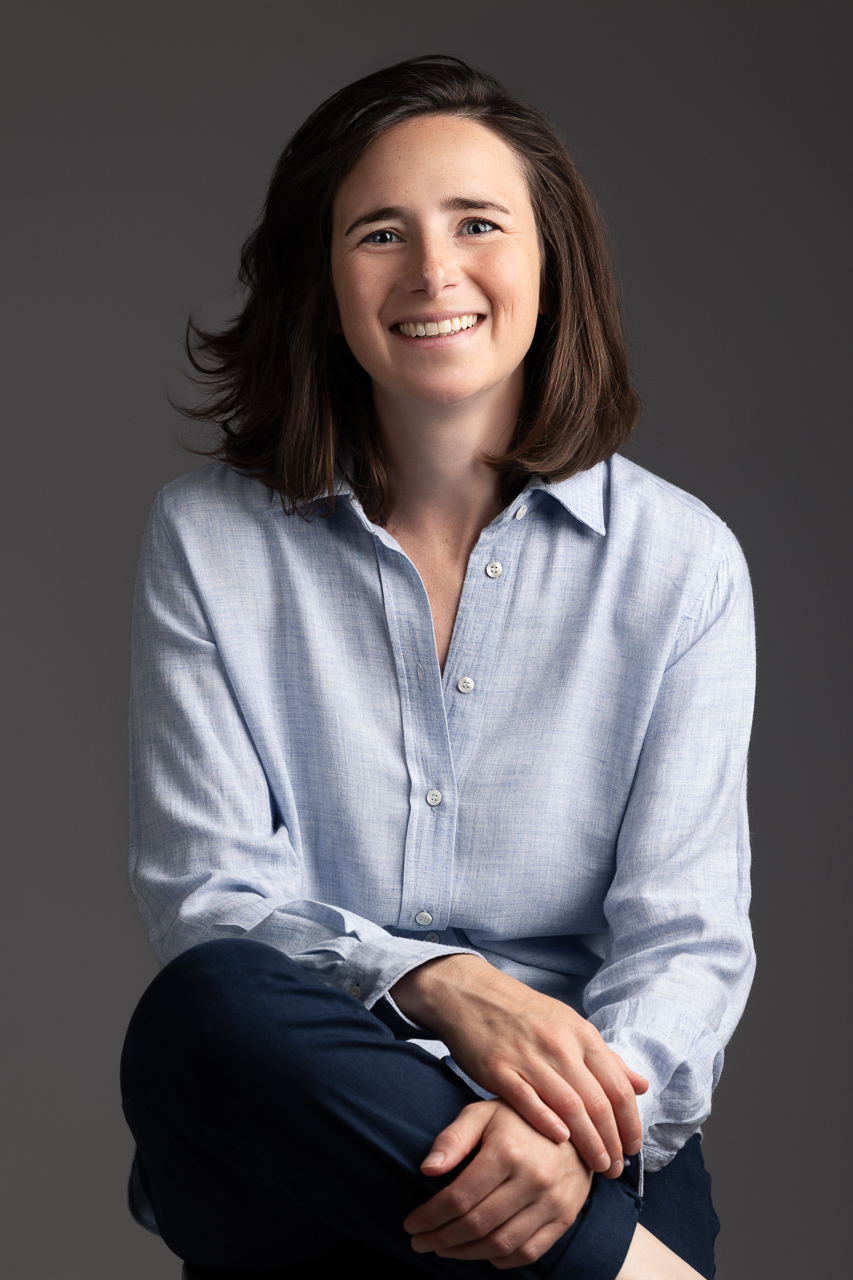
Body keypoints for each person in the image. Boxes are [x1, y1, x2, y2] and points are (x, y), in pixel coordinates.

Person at [120, 55, 755, 1280]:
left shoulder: (681, 564)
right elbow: (210, 895)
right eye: (379, 233)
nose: (432, 271)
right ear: (323, 278)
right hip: (297, 1126)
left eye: (477, 222)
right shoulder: (207, 537)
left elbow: (685, 942)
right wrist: (442, 986)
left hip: (583, 1136)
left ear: (548, 260)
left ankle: (585, 1237)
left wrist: (562, 1127)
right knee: (206, 1009)